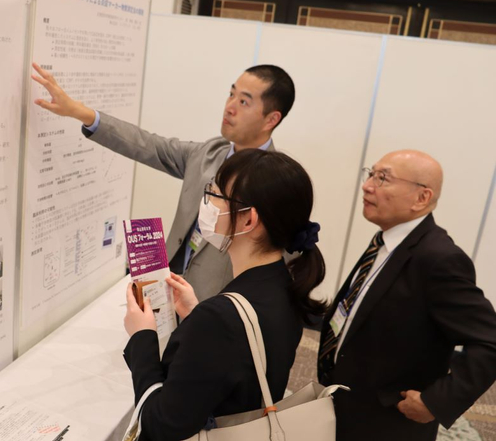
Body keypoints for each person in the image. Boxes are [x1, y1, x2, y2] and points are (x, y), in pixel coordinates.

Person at [31, 63, 295, 300]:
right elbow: (149, 145)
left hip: (216, 311)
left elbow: (279, 267)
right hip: (168, 294)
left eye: (244, 102)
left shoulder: (277, 183)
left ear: (271, 119)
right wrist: (81, 113)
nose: (230, 106)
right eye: (231, 94)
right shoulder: (209, 152)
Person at [122, 149, 327, 440]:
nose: (207, 203)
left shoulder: (220, 318)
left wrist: (141, 336)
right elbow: (238, 364)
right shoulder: (284, 285)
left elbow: (160, 423)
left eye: (216, 195)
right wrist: (195, 317)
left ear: (248, 220)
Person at [317, 150, 496, 441]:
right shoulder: (386, 241)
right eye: (371, 174)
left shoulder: (439, 259)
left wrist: (436, 402)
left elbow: (489, 342)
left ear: (421, 198)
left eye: (383, 178)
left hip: (387, 423)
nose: (367, 186)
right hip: (347, 403)